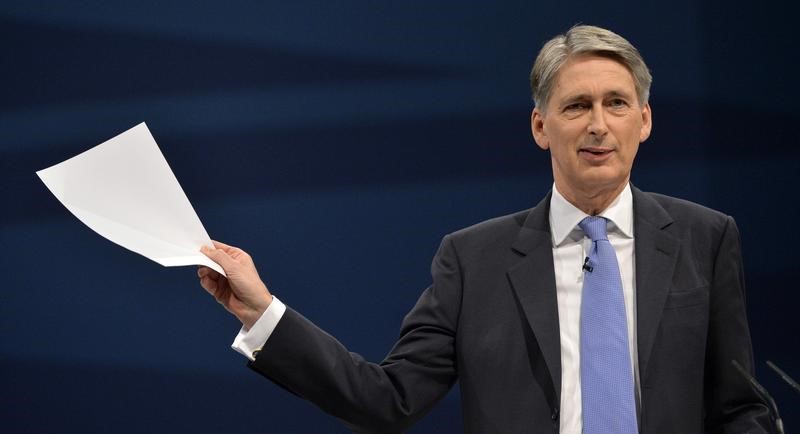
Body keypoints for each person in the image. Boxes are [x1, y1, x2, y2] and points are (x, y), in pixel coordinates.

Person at [197, 25, 771, 433]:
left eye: (617, 103)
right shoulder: (473, 260)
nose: (599, 125)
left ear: (643, 121)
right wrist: (261, 311)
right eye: (576, 107)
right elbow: (386, 400)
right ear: (540, 126)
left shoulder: (706, 238)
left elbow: (738, 408)